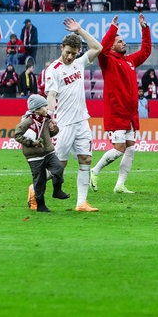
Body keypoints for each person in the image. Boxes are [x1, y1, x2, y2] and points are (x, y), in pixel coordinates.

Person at [44, 18, 102, 213]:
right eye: (67, 52)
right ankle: (34, 188)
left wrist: (80, 30)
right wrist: (50, 116)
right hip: (64, 123)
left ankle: (81, 203)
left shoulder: (79, 63)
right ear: (62, 48)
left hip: (82, 121)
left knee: (86, 159)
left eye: (73, 53)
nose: (70, 57)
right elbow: (51, 95)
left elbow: (98, 47)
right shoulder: (53, 70)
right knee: (59, 165)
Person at [90, 14, 152, 195]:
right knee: (119, 149)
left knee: (130, 148)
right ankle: (95, 170)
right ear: (113, 45)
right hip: (116, 113)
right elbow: (101, 49)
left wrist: (145, 28)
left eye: (123, 41)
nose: (124, 43)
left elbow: (146, 51)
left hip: (130, 114)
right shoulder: (107, 60)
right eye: (120, 41)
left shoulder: (130, 61)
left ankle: (120, 185)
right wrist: (113, 29)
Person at [14, 95, 68, 213]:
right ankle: (41, 205)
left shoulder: (46, 119)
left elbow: (49, 135)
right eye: (44, 106)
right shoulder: (27, 121)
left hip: (48, 152)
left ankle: (57, 191)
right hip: (34, 155)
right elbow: (17, 135)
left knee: (59, 167)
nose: (47, 108)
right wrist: (31, 142)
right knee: (40, 180)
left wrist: (54, 129)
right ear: (36, 109)